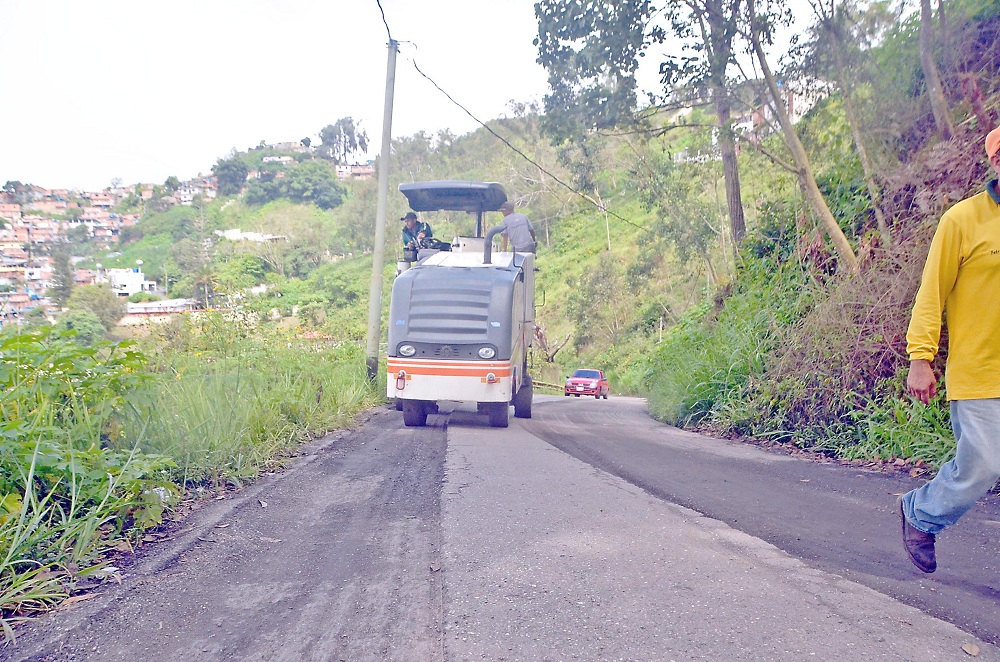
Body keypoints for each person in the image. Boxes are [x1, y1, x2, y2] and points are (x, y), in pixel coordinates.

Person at [899, 125, 1000, 573]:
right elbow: (931, 293)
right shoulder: (962, 220)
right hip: (981, 374)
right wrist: (920, 358)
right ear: (995, 162)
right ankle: (921, 513)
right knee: (982, 466)